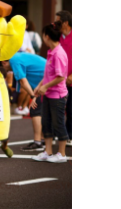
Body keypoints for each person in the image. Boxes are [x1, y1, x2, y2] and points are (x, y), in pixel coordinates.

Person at [31, 21, 69, 163]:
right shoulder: (51, 51)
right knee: (46, 122)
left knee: (58, 123)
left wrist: (45, 87)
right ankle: (48, 151)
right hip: (48, 94)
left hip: (57, 95)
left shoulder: (58, 54)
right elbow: (48, 74)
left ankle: (62, 154)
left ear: (46, 36)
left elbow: (61, 77)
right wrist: (40, 85)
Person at [2, 52, 46, 151]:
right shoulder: (17, 56)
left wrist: (32, 96)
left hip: (45, 79)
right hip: (44, 78)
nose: (7, 71)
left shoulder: (14, 60)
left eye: (5, 69)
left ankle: (38, 142)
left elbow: (23, 81)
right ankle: (42, 139)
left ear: (4, 62)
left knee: (35, 110)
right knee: (42, 111)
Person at [56, 10, 72, 147]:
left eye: (58, 21)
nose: (56, 24)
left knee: (71, 108)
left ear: (66, 22)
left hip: (71, 79)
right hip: (59, 80)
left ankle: (70, 135)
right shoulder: (57, 37)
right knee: (59, 108)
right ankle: (62, 134)